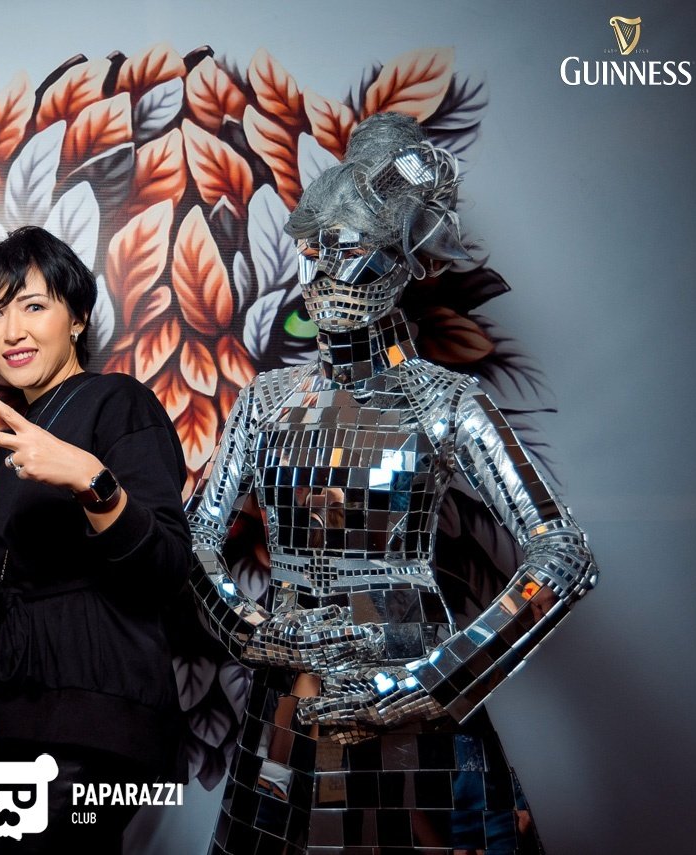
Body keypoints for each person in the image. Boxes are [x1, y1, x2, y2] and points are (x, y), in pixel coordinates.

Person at [185, 113, 597, 853]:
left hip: (413, 695)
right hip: (287, 700)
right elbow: (195, 534)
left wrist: (436, 682)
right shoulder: (266, 400)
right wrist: (249, 629)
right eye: (312, 250)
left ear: (400, 262)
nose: (319, 274)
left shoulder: (447, 401)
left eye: (344, 251)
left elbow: (563, 554)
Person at [0, 226, 192, 852]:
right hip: (28, 721)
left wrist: (93, 482)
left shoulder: (118, 402)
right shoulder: (20, 436)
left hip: (99, 731)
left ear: (79, 318)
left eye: (34, 306)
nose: (13, 331)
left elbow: (168, 568)